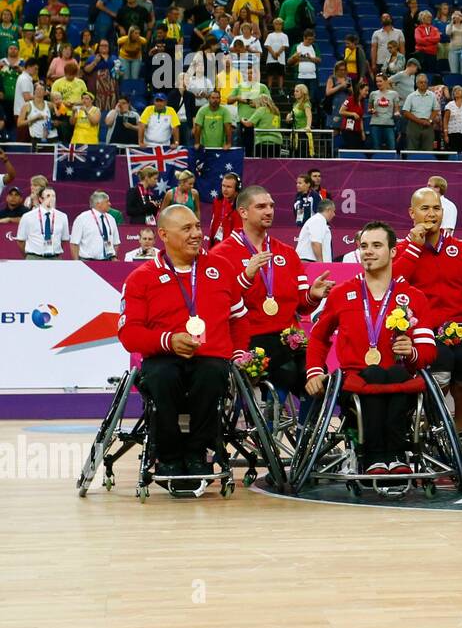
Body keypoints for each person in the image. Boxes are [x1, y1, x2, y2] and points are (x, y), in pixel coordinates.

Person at [118, 205, 252, 487]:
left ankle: (197, 454)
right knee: (162, 377)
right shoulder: (141, 278)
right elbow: (129, 334)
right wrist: (168, 340)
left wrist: (239, 353)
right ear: (164, 234)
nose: (197, 234)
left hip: (211, 357)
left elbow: (239, 319)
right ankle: (167, 456)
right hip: (163, 356)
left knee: (212, 374)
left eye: (198, 227)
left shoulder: (221, 267)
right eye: (187, 229)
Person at [306, 222, 437, 480]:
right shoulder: (342, 294)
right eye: (364, 246)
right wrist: (313, 373)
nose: (368, 251)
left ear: (393, 252)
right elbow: (318, 338)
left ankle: (396, 456)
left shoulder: (413, 297)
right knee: (376, 374)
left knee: (395, 374)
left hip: (398, 379)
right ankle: (377, 457)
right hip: (354, 381)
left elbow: (429, 352)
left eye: (377, 246)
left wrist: (411, 352)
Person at [392, 187, 462, 435]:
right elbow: (394, 283)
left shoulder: (460, 249)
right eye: (425, 209)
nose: (431, 214)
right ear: (412, 213)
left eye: (436, 208)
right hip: (422, 330)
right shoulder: (401, 250)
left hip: (458, 327)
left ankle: (460, 426)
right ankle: (430, 424)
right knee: (440, 368)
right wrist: (414, 246)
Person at [211, 185, 334, 410]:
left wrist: (313, 295)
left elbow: (302, 306)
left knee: (320, 378)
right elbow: (216, 307)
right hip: (248, 340)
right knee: (284, 371)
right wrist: (246, 276)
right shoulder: (220, 255)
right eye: (261, 206)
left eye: (271, 206)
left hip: (288, 338)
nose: (269, 211)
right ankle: (265, 434)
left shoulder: (286, 253)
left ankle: (305, 441)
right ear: (243, 212)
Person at [16, 185, 70, 258]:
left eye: (53, 196)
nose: (51, 199)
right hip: (34, 258)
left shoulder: (62, 216)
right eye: (48, 196)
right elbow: (20, 240)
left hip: (55, 258)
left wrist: (54, 254)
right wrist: (30, 256)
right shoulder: (27, 217)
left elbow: (64, 240)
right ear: (41, 199)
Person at [69, 190, 120, 261]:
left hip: (108, 262)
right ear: (98, 203)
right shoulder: (82, 219)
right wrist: (77, 263)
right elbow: (74, 243)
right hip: (88, 262)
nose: (110, 204)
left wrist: (113, 257)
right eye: (107, 201)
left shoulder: (111, 219)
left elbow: (116, 243)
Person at [207, 173, 242, 245]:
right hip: (217, 243)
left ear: (237, 189)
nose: (225, 189)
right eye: (223, 186)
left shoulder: (241, 206)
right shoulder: (218, 201)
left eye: (229, 187)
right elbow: (214, 223)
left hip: (231, 245)